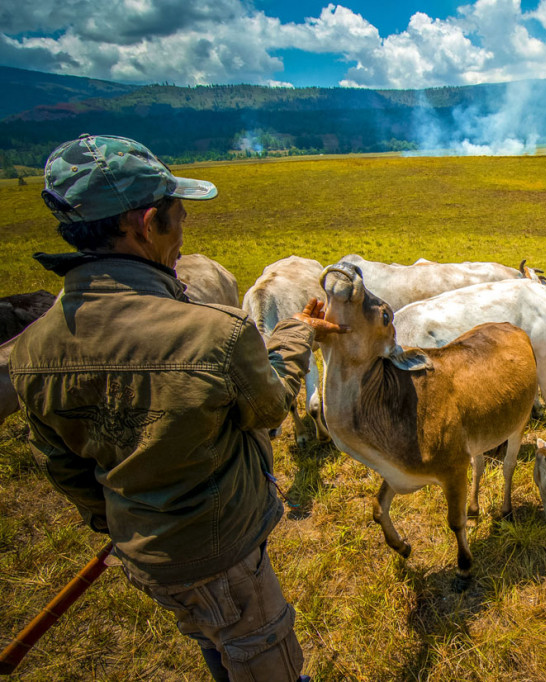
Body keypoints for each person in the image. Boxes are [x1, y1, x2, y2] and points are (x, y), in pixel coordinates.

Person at [9, 134, 344, 681]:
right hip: (221, 553)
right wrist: (294, 333)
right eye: (179, 217)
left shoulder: (33, 349)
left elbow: (66, 468)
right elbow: (271, 407)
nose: (184, 233)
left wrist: (119, 523)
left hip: (144, 554)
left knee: (211, 636)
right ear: (146, 224)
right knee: (261, 648)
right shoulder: (213, 335)